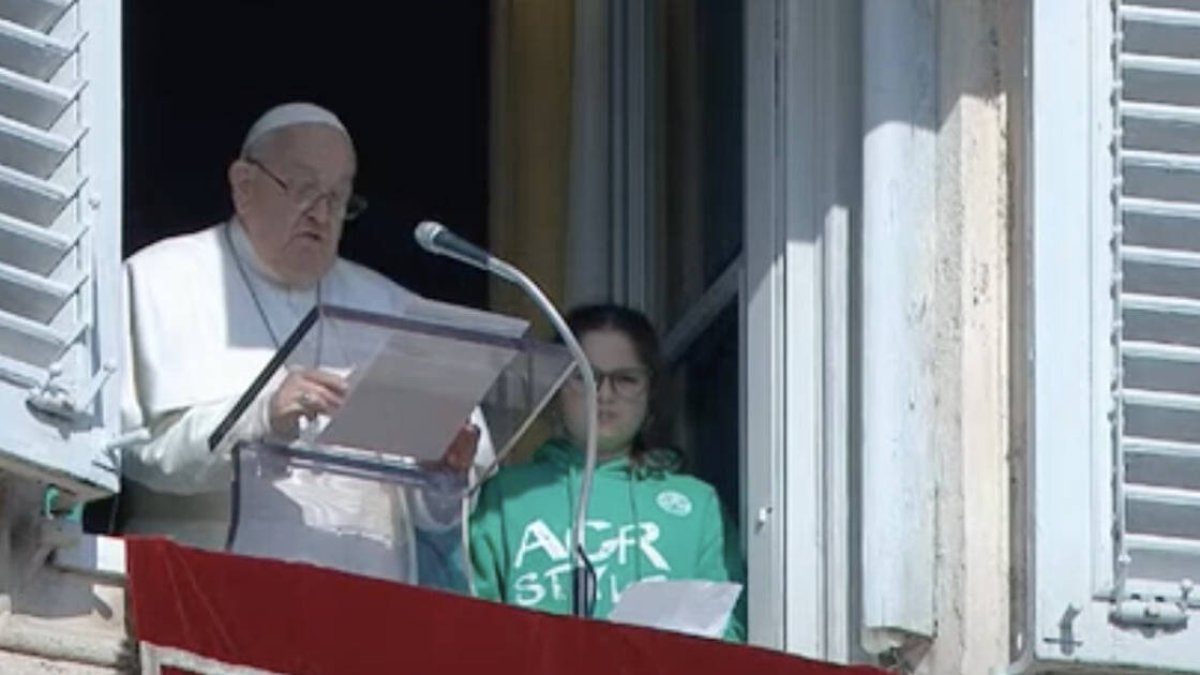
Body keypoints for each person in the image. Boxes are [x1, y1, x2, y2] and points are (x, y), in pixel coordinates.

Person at [118, 101, 489, 585]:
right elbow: (138, 455)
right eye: (304, 189)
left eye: (339, 197)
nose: (322, 213)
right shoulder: (162, 279)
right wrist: (261, 417)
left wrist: (439, 473)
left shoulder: (395, 309)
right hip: (207, 595)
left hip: (369, 601)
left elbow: (437, 512)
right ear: (243, 185)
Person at [468, 304, 747, 640]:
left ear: (651, 392)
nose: (604, 394)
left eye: (626, 379)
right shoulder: (507, 496)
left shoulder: (698, 507)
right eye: (584, 376)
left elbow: (728, 634)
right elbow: (473, 625)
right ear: (555, 388)